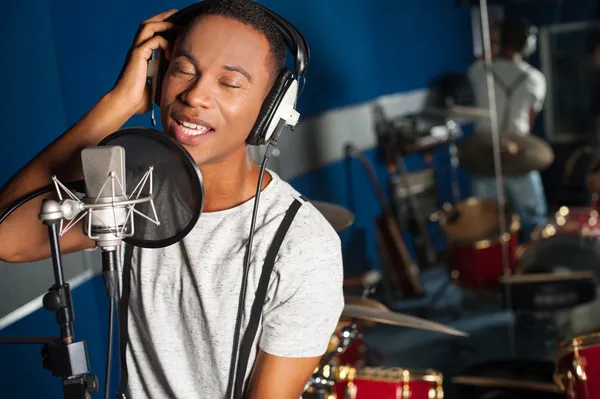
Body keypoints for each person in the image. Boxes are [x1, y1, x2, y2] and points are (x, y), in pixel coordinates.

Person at [0, 1, 344, 398]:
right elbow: (8, 237)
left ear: (271, 111)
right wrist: (120, 102)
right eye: (183, 70)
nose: (195, 95)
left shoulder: (302, 247)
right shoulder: (135, 189)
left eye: (229, 82)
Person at [467, 16, 548, 240]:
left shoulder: (477, 70)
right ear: (527, 44)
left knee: (483, 222)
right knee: (535, 221)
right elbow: (530, 121)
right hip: (518, 153)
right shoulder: (535, 79)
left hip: (484, 154)